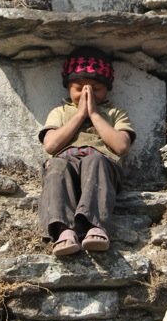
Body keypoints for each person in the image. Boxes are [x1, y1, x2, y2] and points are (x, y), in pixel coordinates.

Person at [38, 46, 135, 256]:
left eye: (95, 88)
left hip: (101, 161)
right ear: (67, 87)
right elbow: (51, 146)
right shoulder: (61, 112)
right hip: (66, 159)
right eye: (79, 88)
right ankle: (64, 231)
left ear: (107, 89)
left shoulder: (114, 113)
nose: (86, 93)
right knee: (56, 167)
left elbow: (121, 146)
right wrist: (80, 115)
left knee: (95, 161)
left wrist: (94, 114)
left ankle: (96, 226)